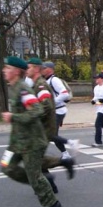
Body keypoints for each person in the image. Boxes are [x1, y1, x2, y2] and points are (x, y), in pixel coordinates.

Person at [0, 57, 63, 207]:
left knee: (34, 175)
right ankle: (42, 181)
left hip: (32, 141)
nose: (4, 70)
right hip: (18, 142)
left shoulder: (23, 90)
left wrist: (13, 117)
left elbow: (37, 111)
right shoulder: (14, 88)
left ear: (16, 71)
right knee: (6, 167)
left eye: (7, 68)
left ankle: (52, 204)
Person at [26, 57, 75, 192]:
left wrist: (32, 116)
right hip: (45, 123)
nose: (26, 70)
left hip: (49, 121)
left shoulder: (47, 82)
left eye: (29, 67)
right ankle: (50, 185)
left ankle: (65, 158)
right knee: (36, 158)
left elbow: (49, 104)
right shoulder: (39, 83)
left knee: (35, 158)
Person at [42, 61, 78, 159]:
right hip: (54, 111)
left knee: (51, 134)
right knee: (51, 134)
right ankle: (66, 153)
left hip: (58, 111)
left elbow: (64, 94)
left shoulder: (54, 80)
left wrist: (52, 102)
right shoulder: (46, 80)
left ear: (49, 69)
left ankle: (70, 144)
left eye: (44, 68)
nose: (42, 70)